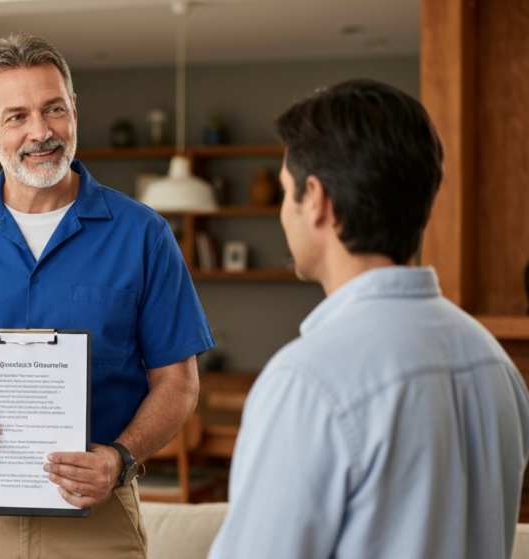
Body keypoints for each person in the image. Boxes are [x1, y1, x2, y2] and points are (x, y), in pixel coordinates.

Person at [0, 33, 214, 559]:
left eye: (54, 109)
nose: (41, 132)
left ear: (74, 111)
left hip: (97, 517)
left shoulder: (144, 235)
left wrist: (120, 457)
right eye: (16, 117)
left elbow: (178, 381)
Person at [208, 79, 529, 559]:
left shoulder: (307, 380)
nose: (282, 212)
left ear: (315, 199)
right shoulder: (496, 364)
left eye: (285, 192)